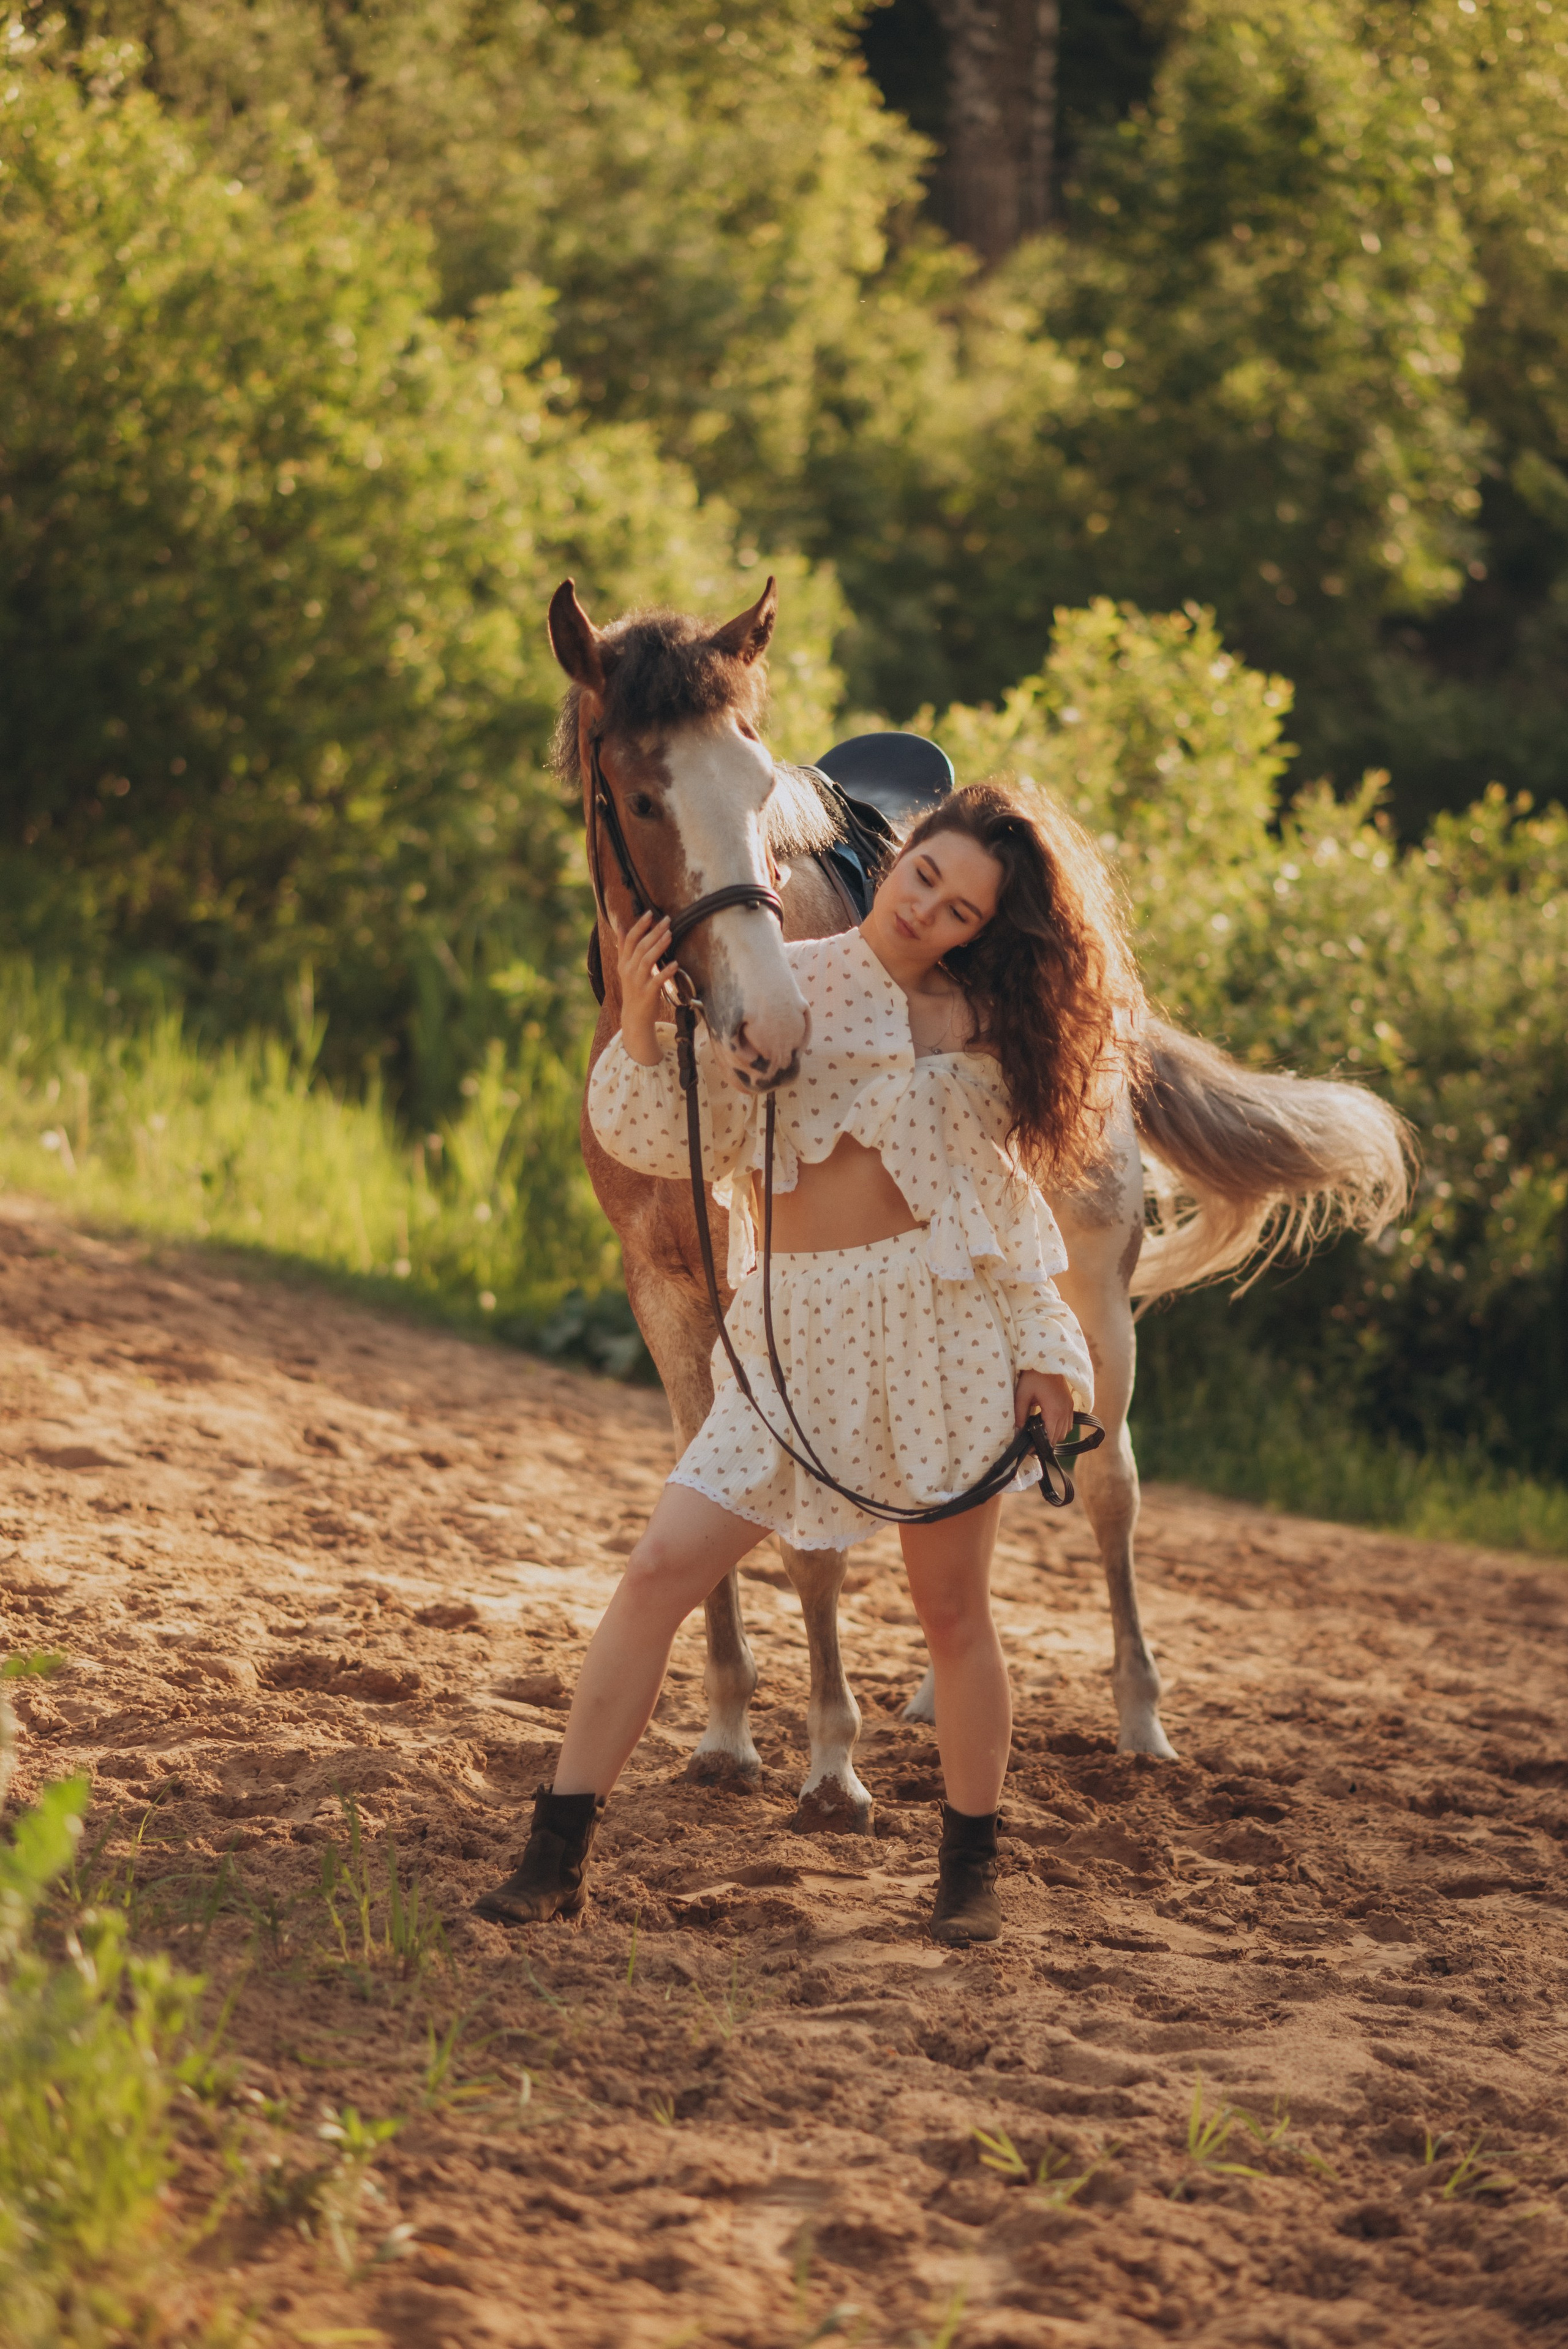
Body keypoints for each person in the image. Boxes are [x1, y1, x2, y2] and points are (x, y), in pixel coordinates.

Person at [475, 783, 1141, 1945]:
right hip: (791, 1345)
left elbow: (998, 1209)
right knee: (655, 1577)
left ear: (987, 933)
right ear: (896, 858)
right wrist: (640, 1025)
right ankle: (556, 1852)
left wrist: (1048, 1355)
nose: (928, 910)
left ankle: (969, 1869)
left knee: (954, 1618)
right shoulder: (786, 984)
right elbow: (670, 1139)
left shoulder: (977, 1028)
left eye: (962, 911)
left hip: (942, 1340)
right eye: (923, 876)